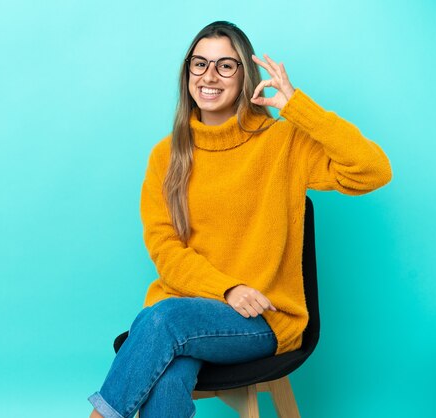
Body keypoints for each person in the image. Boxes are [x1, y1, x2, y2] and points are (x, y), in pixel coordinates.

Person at [88, 20, 392, 418]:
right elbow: (165, 250)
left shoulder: (281, 142)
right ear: (187, 73)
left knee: (160, 320)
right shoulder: (167, 156)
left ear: (244, 77)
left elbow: (372, 170)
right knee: (166, 375)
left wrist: (298, 107)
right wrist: (226, 288)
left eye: (225, 66)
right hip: (185, 313)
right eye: (199, 64)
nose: (209, 76)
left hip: (261, 320)